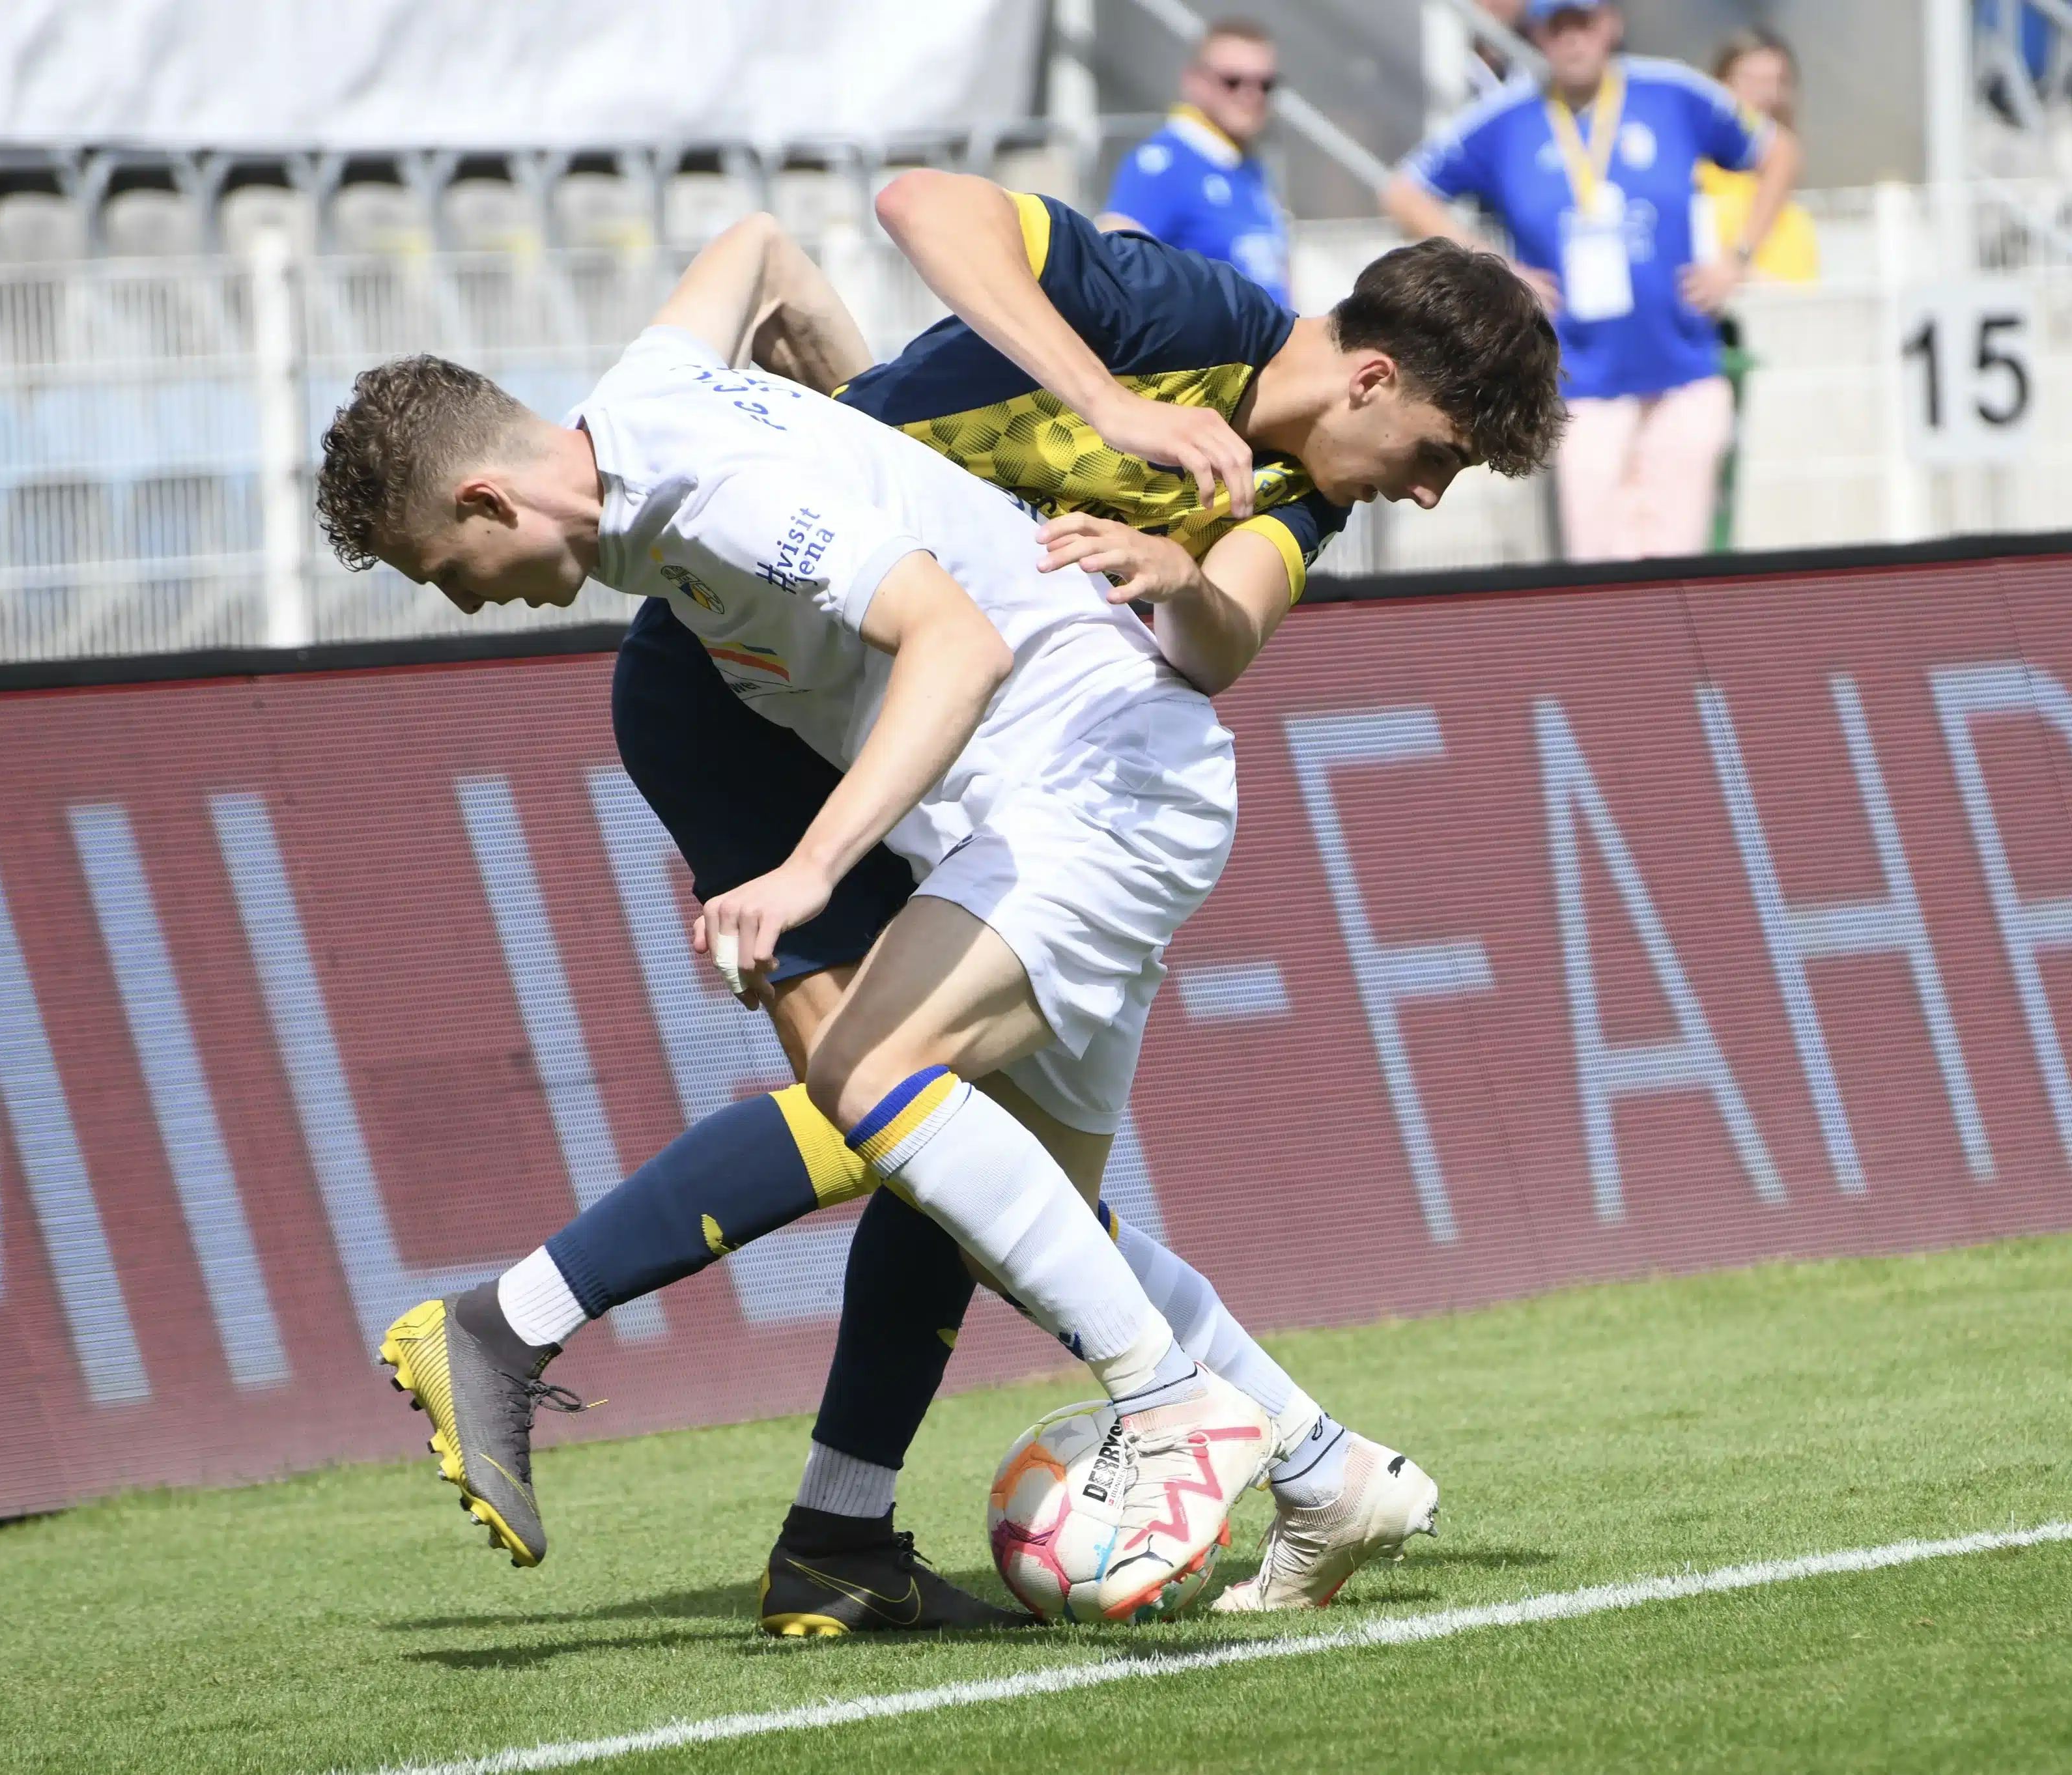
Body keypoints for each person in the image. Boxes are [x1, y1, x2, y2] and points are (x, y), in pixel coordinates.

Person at [333, 189, 1567, 1628]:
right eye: (1437, 456)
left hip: (1075, 772)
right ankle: (1306, 1468)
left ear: (487, 501)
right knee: (974, 1174)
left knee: (879, 1089)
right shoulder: (668, 401)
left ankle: (1156, 1405)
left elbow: (961, 640)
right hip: (1056, 764)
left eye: (446, 574)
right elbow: (793, 239)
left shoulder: (707, 484)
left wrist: (810, 861)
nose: (465, 604)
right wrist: (885, 434)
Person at [1383, 0, 1801, 563]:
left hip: (1681, 367)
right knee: (1599, 569)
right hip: (1579, 381)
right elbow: (1405, 191)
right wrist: (1496, 271)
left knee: (1683, 567)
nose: (1573, 40)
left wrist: (1737, 258)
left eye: (1584, 22)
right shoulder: (1509, 118)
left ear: (1610, 25)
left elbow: (1778, 151)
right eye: (1558, 26)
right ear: (1537, 34)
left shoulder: (1670, 92)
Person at [1101, 18, 1292, 305]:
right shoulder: (1163, 166)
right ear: (1195, 81)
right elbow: (1110, 272)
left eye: (1265, 84)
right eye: (1233, 82)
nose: (1251, 95)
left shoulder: (1250, 168)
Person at [1701, 27, 1818, 283]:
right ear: (1721, 81)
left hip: (1776, 277)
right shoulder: (1699, 149)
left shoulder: (1782, 148)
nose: (1766, 94)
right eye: (1750, 80)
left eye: (1776, 82)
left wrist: (1739, 262)